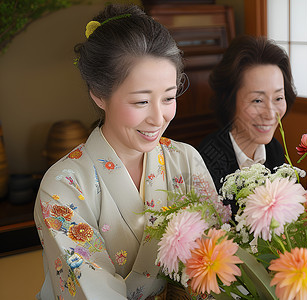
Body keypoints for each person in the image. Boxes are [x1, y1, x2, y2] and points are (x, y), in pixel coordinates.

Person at [34, 4, 218, 299]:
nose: (159, 118)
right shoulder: (63, 185)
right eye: (141, 102)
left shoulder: (186, 160)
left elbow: (213, 261)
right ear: (99, 94)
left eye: (169, 97)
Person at [198, 35, 296, 215]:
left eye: (278, 98)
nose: (270, 113)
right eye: (257, 100)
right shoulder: (206, 161)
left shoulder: (274, 150)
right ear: (230, 100)